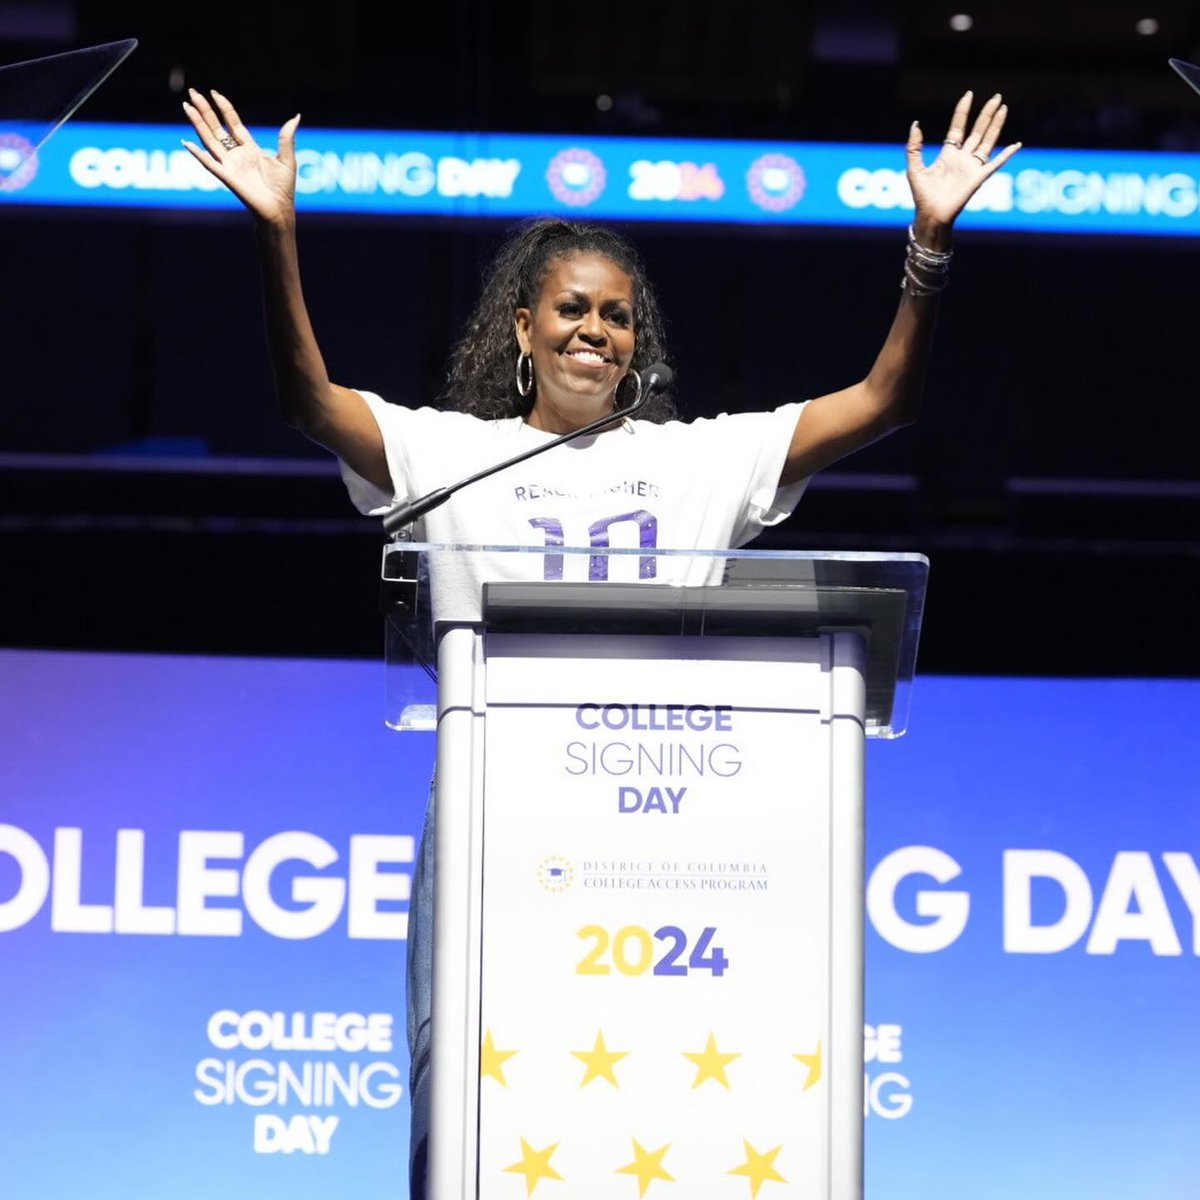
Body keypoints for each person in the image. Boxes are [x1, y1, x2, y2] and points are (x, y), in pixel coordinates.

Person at [182, 86, 1018, 1198]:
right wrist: (276, 237)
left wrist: (929, 245)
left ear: (638, 342)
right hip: (496, 832)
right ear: (523, 329)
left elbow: (883, 402)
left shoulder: (705, 462)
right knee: (474, 1106)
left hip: (676, 837)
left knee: (653, 1113)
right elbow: (309, 402)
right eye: (572, 309)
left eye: (617, 316)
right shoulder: (448, 455)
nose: (595, 330)